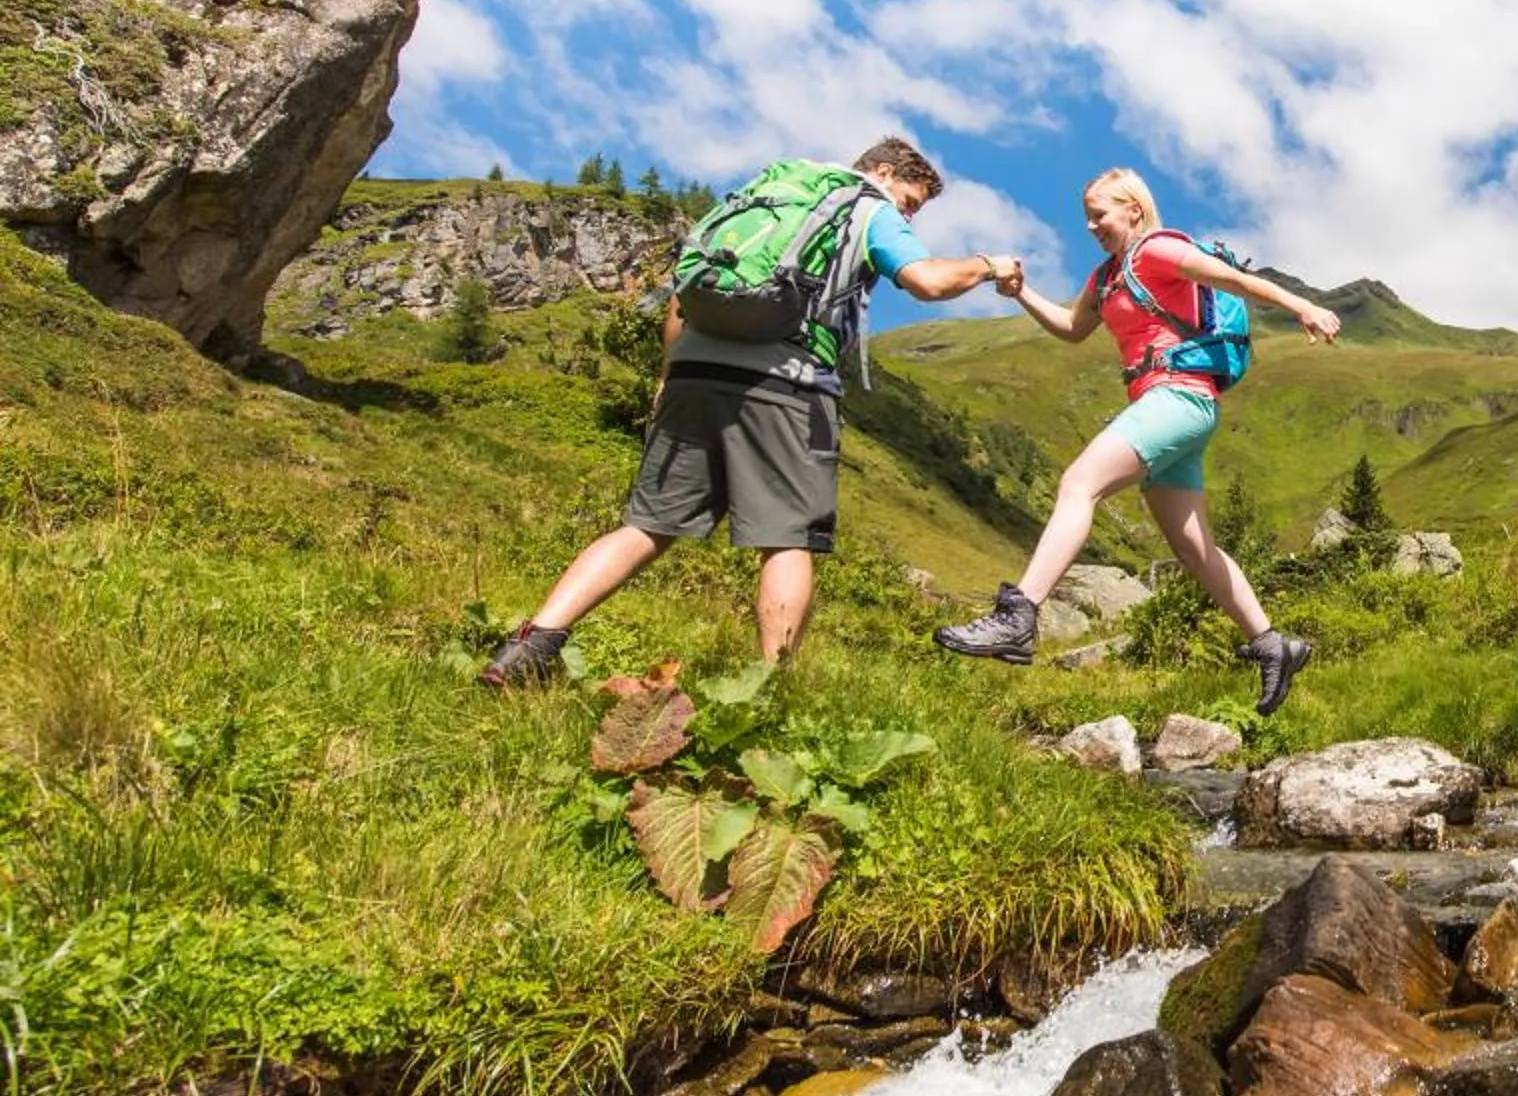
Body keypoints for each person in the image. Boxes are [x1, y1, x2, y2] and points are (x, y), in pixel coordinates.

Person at [481, 137, 1013, 686]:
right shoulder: (865, 206)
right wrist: (988, 265)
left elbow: (681, 296)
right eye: (910, 200)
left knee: (645, 527)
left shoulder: (762, 196)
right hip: (784, 381)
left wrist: (667, 375)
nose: (908, 214)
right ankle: (770, 690)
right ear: (882, 172)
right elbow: (928, 280)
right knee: (787, 539)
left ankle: (529, 646)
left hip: (693, 371)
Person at [935, 167, 1339, 713]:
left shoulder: (1158, 250)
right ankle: (1273, 644)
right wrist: (1021, 291)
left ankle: (1018, 615)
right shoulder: (1107, 278)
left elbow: (1233, 280)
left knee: (1079, 484)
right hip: (1166, 407)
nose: (1091, 226)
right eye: (1087, 217)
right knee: (1194, 550)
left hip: (1178, 398)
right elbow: (1073, 329)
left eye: (1099, 214)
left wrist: (1304, 308)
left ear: (1133, 208)